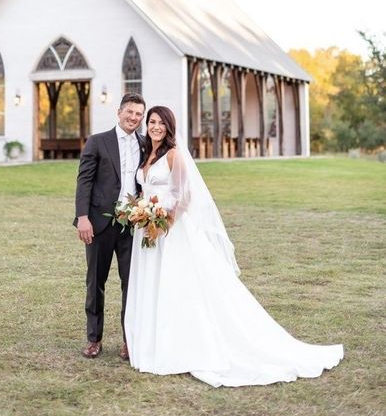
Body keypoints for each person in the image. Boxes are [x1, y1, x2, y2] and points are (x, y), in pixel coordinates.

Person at [124, 106, 344, 387]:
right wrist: (140, 213)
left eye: (160, 123)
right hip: (147, 231)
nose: (155, 126)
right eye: (151, 122)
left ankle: (183, 346)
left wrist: (163, 223)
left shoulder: (173, 155)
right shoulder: (148, 155)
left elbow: (184, 196)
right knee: (153, 284)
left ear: (169, 127)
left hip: (170, 233)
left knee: (179, 287)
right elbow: (146, 192)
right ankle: (153, 343)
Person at [74, 93, 146, 360]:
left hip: (131, 226)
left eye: (139, 114)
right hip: (98, 224)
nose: (134, 118)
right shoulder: (97, 142)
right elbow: (84, 182)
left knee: (132, 284)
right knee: (95, 282)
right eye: (130, 112)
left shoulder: (145, 143)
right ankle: (94, 339)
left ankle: (129, 340)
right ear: (119, 112)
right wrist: (83, 217)